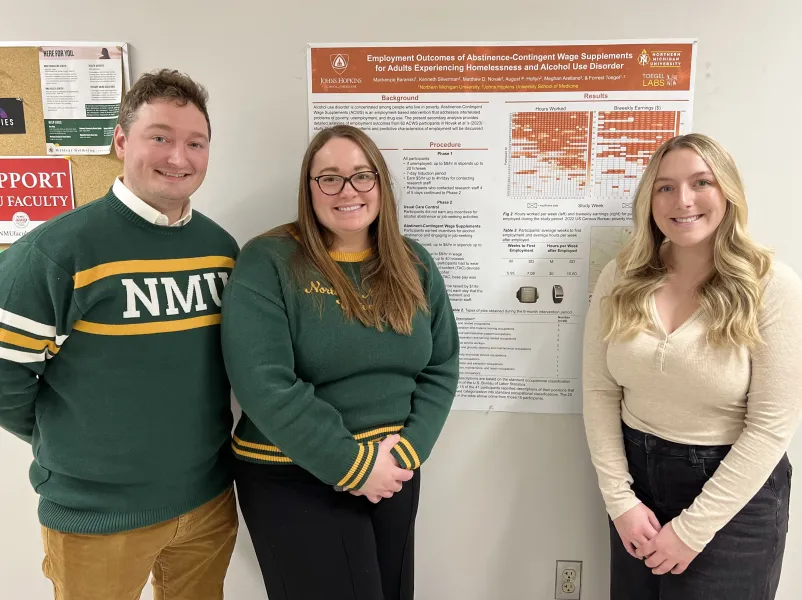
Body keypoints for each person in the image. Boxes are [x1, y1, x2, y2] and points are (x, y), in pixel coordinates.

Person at [0, 69, 239, 600]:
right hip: (95, 518)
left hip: (207, 502)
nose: (179, 157)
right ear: (121, 141)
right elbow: (4, 381)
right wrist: (78, 447)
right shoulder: (56, 253)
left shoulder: (221, 250)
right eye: (160, 137)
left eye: (194, 143)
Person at [221, 124, 460, 600]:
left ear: (381, 185)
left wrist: (408, 452)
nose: (347, 191)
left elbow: (441, 366)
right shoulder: (268, 260)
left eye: (362, 176)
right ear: (309, 190)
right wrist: (352, 465)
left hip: (393, 471)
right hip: (292, 474)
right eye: (329, 178)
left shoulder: (414, 263)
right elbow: (263, 381)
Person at [582, 133, 802, 599]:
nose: (682, 200)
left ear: (728, 192)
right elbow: (600, 392)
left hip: (732, 494)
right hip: (637, 481)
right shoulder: (621, 277)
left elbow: (770, 426)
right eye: (665, 187)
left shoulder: (772, 287)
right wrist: (620, 501)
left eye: (701, 182)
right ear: (649, 200)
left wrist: (692, 530)